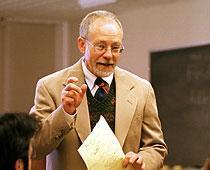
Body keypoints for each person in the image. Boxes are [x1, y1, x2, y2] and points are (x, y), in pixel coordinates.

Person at [30, 10, 167, 170]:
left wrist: (143, 161)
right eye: (101, 46)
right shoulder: (50, 86)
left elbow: (156, 147)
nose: (109, 55)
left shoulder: (141, 89)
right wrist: (65, 113)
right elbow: (35, 148)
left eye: (116, 48)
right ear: (82, 45)